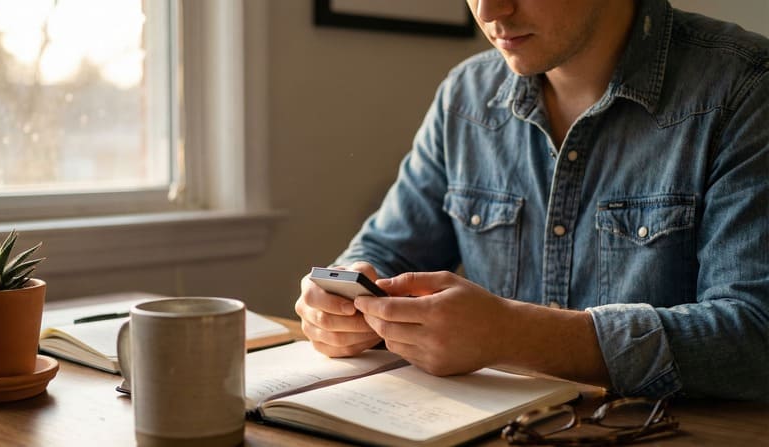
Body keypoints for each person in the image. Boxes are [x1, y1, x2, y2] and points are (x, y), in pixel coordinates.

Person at [295, 0, 769, 401]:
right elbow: (386, 253)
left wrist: (513, 335)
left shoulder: (745, 88)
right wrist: (341, 300)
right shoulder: (466, 96)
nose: (488, 10)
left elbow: (754, 334)